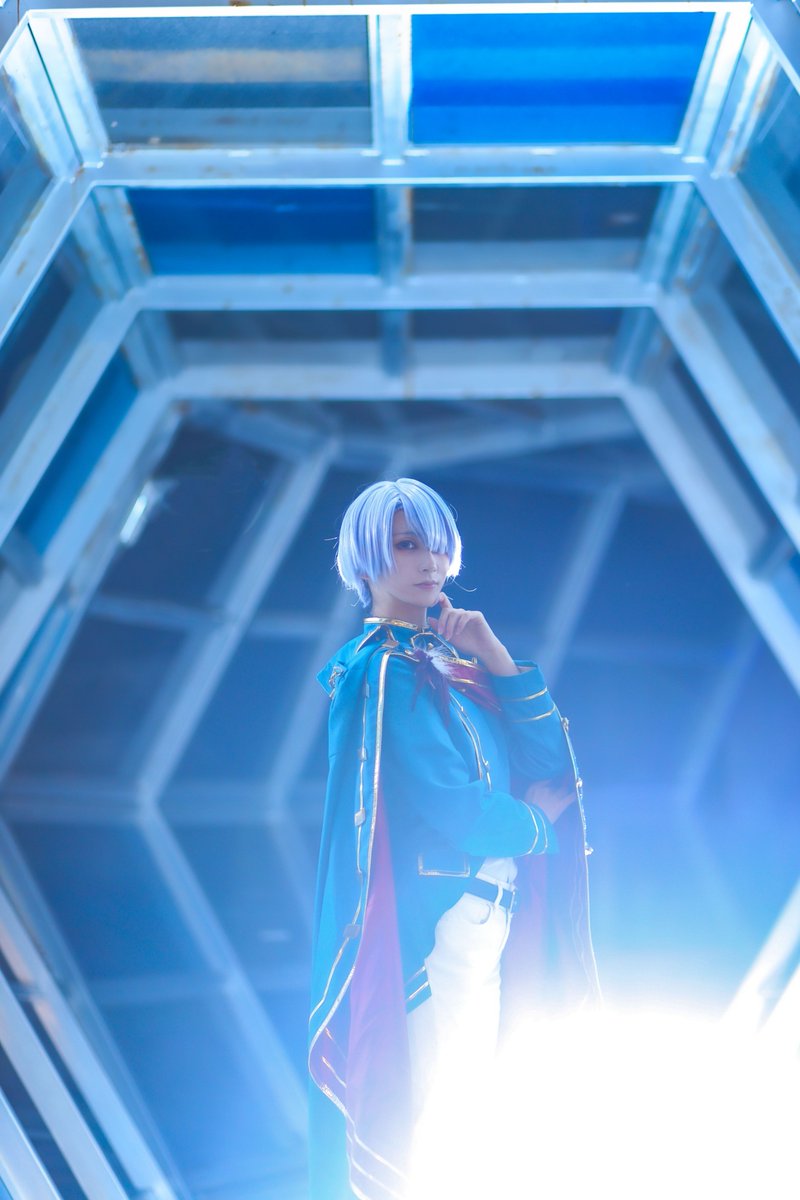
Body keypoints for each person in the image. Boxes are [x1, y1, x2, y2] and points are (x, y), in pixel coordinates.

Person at [308, 478, 599, 1200]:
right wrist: (534, 825)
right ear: (367, 558)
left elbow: (548, 767)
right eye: (407, 545)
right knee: (438, 1136)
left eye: (436, 545)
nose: (428, 562)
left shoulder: (440, 661)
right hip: (442, 923)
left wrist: (493, 654)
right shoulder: (382, 669)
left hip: (485, 916)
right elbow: (458, 808)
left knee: (466, 1128)